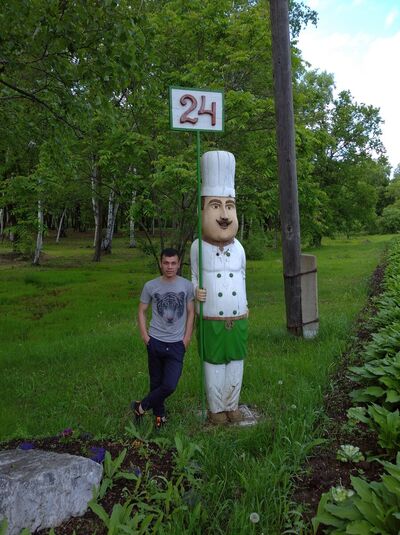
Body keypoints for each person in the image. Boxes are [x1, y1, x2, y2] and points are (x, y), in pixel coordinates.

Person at [191, 150, 248, 425]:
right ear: (202, 210)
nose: (225, 215)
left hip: (238, 318)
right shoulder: (197, 247)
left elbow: (243, 277)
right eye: (215, 206)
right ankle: (216, 409)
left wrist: (245, 305)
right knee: (213, 363)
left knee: (236, 361)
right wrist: (195, 291)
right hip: (211, 318)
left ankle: (232, 404)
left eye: (230, 206)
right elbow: (193, 276)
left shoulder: (240, 249)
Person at [133, 248, 195, 428]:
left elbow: (191, 312)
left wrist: (187, 338)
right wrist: (145, 337)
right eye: (166, 263)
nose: (170, 267)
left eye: (173, 263)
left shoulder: (186, 286)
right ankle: (159, 417)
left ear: (178, 264)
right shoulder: (150, 286)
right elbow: (141, 311)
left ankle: (141, 406)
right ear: (161, 263)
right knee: (156, 382)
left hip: (177, 344)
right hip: (155, 341)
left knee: (169, 385)